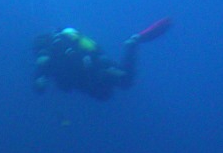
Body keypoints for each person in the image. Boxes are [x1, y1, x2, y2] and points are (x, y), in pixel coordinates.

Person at [33, 18, 173, 99]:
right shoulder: (49, 62)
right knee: (109, 92)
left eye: (41, 55)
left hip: (96, 68)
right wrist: (40, 83)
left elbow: (77, 59)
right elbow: (41, 83)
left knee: (125, 81)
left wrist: (88, 63)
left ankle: (132, 43)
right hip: (91, 76)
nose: (41, 59)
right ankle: (132, 43)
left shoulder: (58, 47)